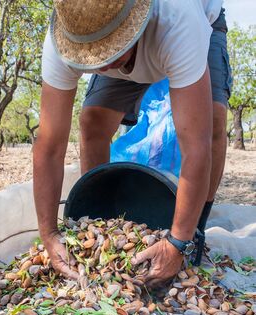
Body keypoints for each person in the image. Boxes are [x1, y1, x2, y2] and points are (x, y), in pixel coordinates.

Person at [33, 0, 232, 284]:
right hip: (128, 37)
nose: (101, 64)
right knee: (93, 121)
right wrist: (49, 234)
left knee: (212, 123)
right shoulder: (67, 35)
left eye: (109, 52)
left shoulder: (178, 22)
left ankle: (194, 231)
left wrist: (177, 242)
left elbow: (196, 147)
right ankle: (99, 217)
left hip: (201, 22)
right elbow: (49, 145)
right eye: (92, 57)